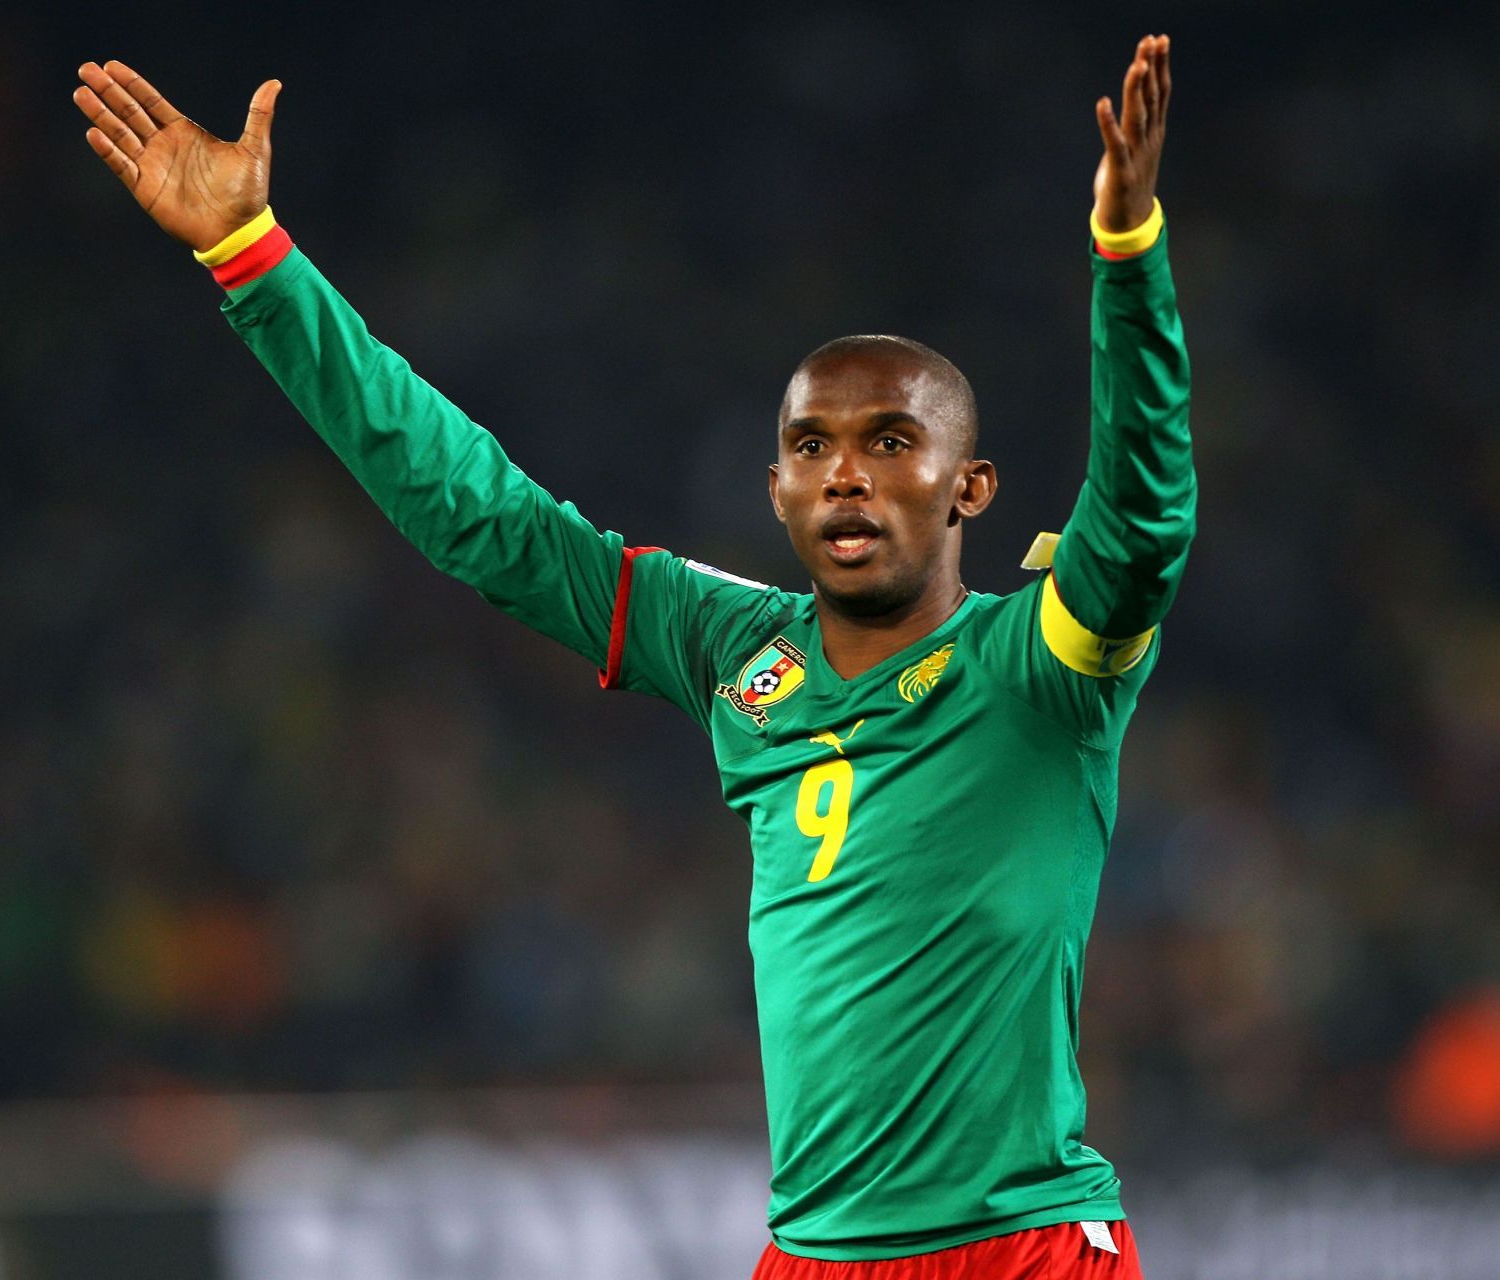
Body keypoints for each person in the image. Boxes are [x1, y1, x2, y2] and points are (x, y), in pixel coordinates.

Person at [74, 31, 1189, 1279]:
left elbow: (1143, 518)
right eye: (812, 447)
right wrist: (254, 258)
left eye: (890, 442)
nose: (847, 476)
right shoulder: (734, 645)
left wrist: (1128, 255)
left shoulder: (1039, 668)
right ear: (774, 488)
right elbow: (483, 515)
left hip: (1018, 1247)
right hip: (812, 1255)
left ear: (969, 484)